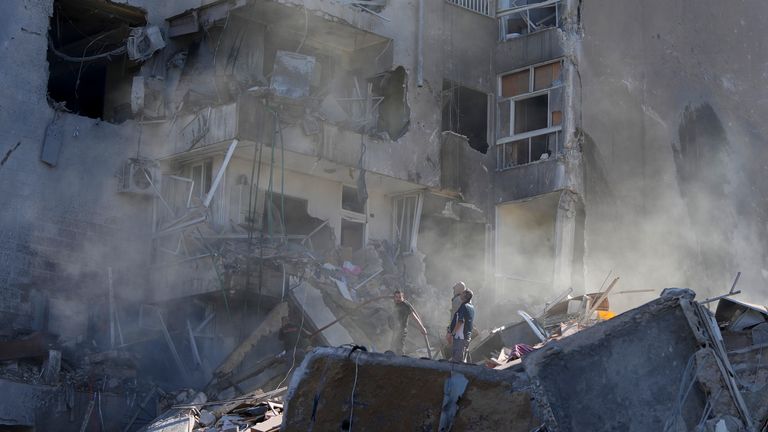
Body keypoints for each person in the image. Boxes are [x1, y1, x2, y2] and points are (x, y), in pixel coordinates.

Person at [391, 289, 428, 355]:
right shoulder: (396, 304)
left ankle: (401, 361)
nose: (398, 299)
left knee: (399, 348)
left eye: (400, 297)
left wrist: (422, 328)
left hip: (401, 330)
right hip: (396, 330)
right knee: (393, 347)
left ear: (403, 297)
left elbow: (414, 317)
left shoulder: (405, 306)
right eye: (396, 297)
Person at [446, 289, 474, 362]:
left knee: (457, 363)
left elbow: (460, 321)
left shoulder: (463, 306)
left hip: (460, 339)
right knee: (462, 361)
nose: (460, 295)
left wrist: (452, 334)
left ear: (465, 295)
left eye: (462, 293)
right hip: (466, 338)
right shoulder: (471, 307)